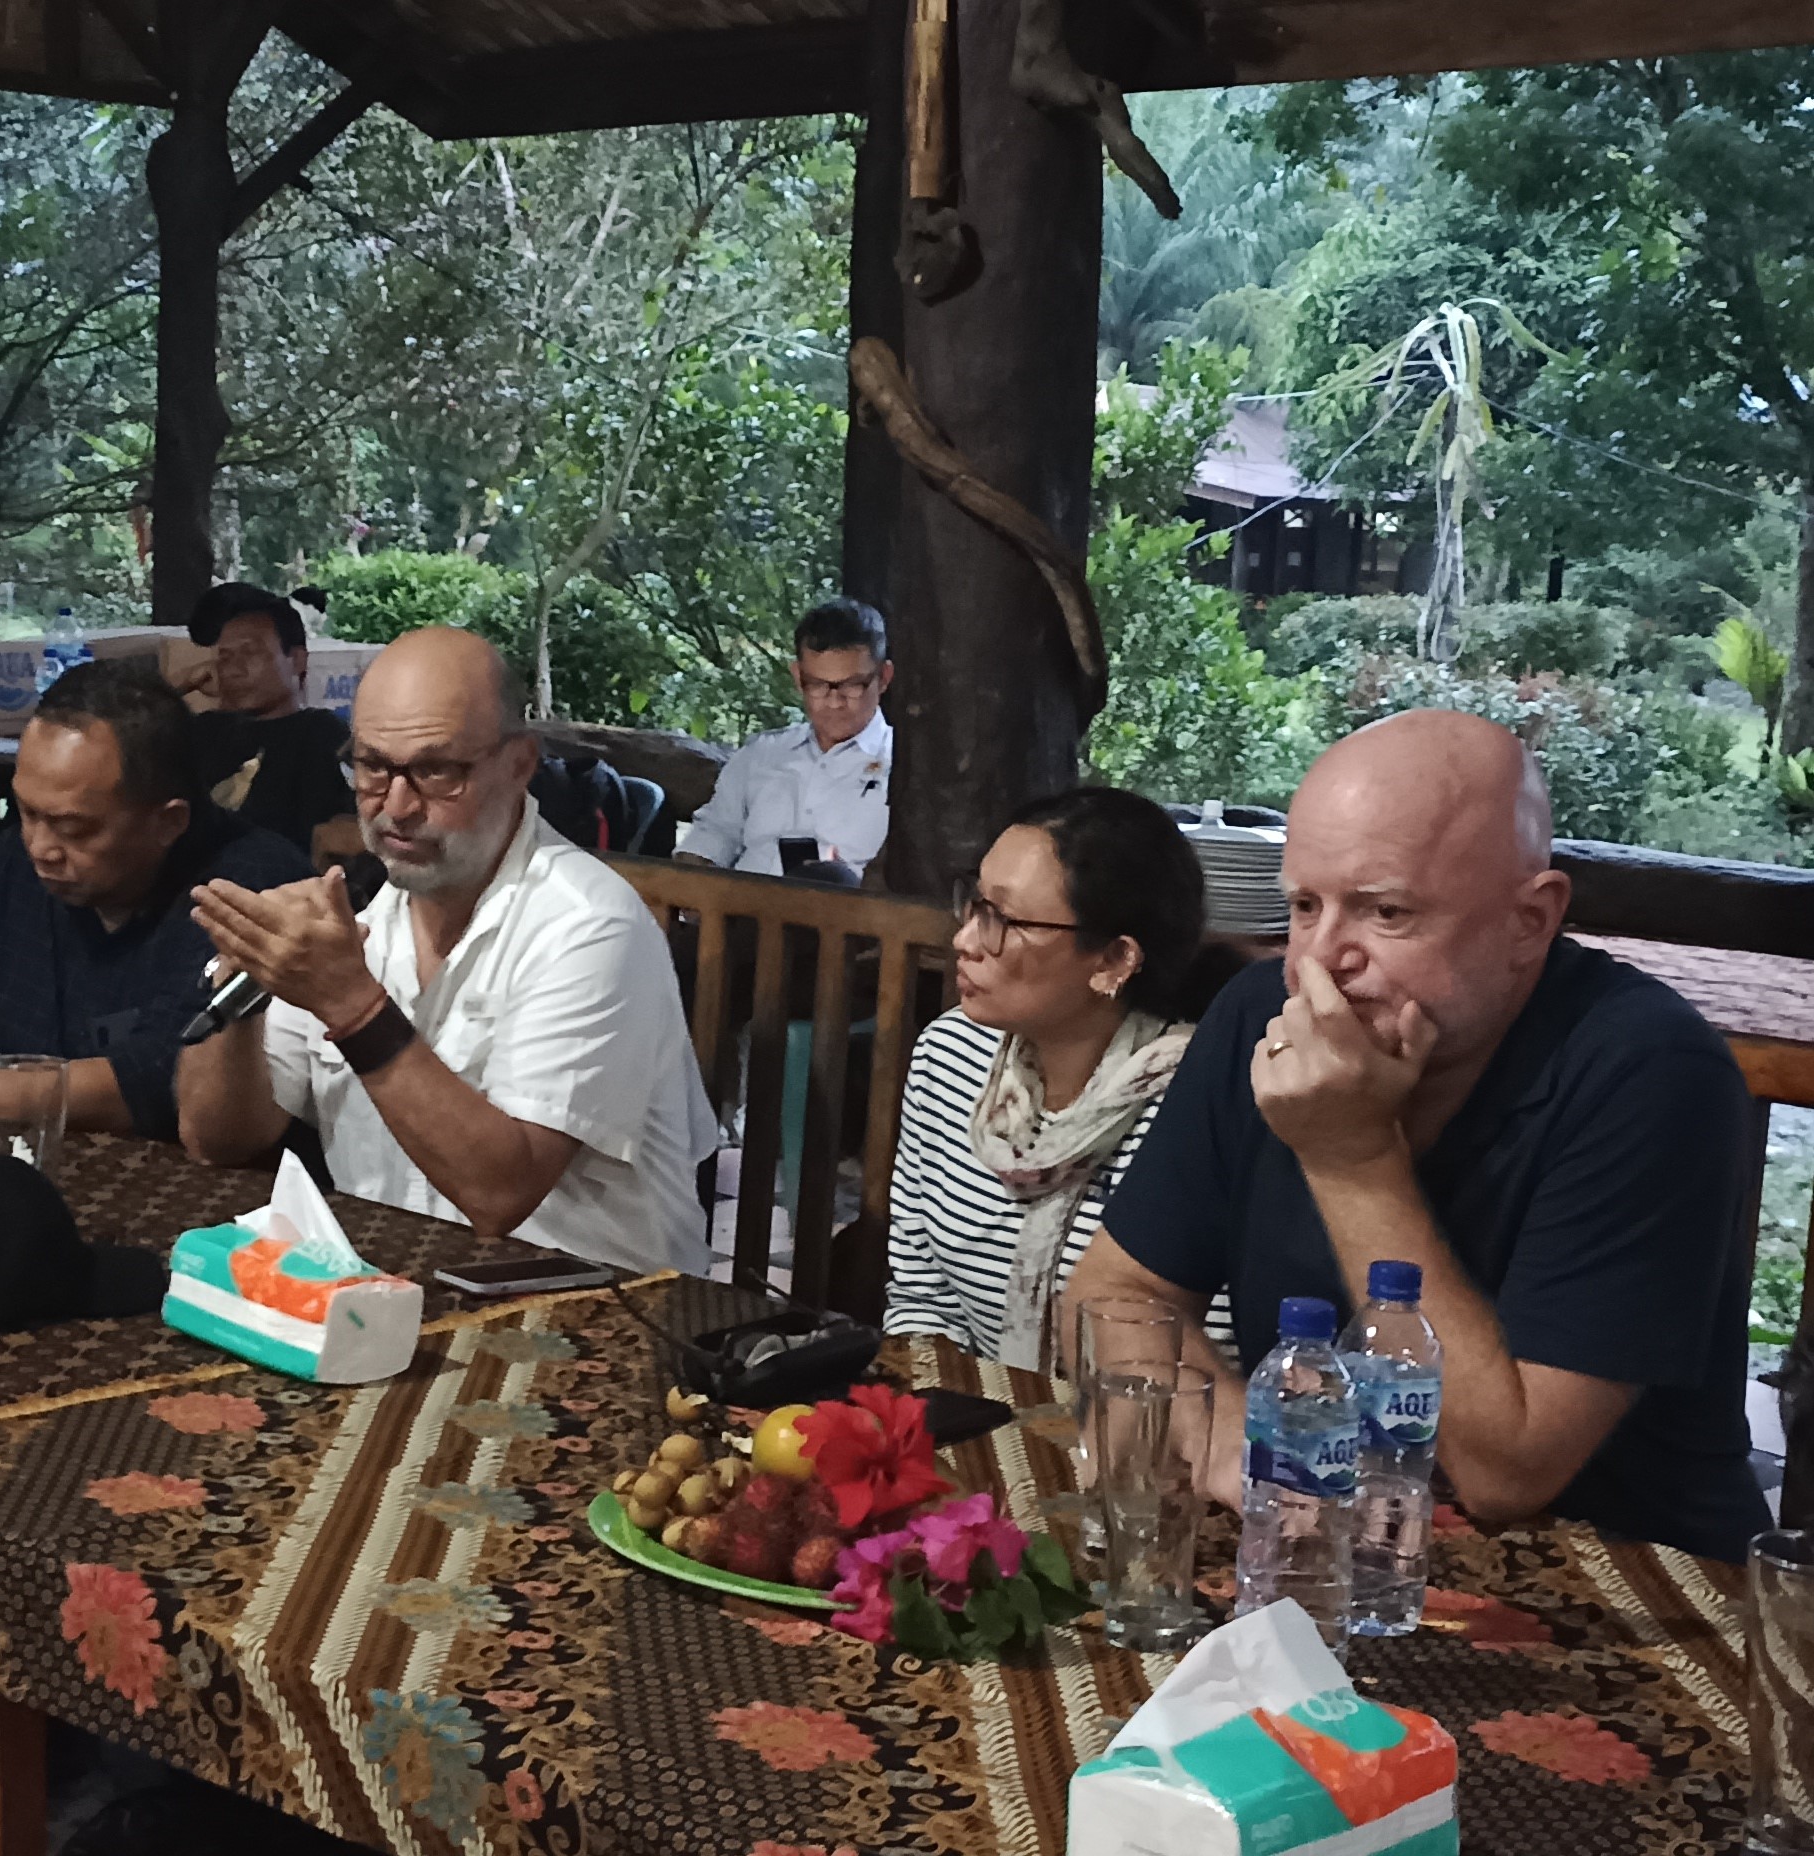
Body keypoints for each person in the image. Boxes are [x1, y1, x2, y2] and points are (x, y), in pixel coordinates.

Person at [1066, 709, 1769, 1559]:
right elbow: (1110, 1296)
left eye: (1385, 912)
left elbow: (1506, 1475)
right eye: (1303, 906)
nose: (1318, 963)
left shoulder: (1652, 1073)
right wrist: (1221, 1430)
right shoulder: (1260, 1014)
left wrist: (1351, 1155)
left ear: (1530, 922)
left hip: (1637, 1587)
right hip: (1331, 1562)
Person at [181, 628, 710, 1272]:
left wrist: (351, 1004)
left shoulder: (590, 927)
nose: (396, 808)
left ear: (520, 764)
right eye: (373, 766)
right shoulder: (362, 910)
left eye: (435, 771)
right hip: (395, 1292)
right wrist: (241, 978)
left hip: (596, 1315)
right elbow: (219, 1141)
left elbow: (499, 1194)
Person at [0, 660, 308, 1141]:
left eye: (74, 828)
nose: (40, 847)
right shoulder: (19, 863)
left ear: (168, 822)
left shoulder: (251, 889)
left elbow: (155, 1083)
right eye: (27, 813)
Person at [883, 788, 1223, 1368]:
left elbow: (1218, 1346)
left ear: (1114, 961)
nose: (966, 940)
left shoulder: (1199, 1109)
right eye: (975, 903)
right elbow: (921, 1296)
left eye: (1004, 920)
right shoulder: (950, 1055)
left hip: (1146, 1443)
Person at [674, 596, 894, 879]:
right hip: (737, 912)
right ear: (798, 677)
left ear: (884, 677)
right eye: (817, 685)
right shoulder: (762, 754)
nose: (835, 702)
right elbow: (715, 833)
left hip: (843, 916)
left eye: (853, 685)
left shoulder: (902, 769)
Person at [183, 581, 360, 866]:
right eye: (225, 658)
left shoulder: (319, 734)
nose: (233, 669)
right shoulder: (204, 729)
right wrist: (183, 682)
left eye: (250, 653)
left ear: (297, 660)